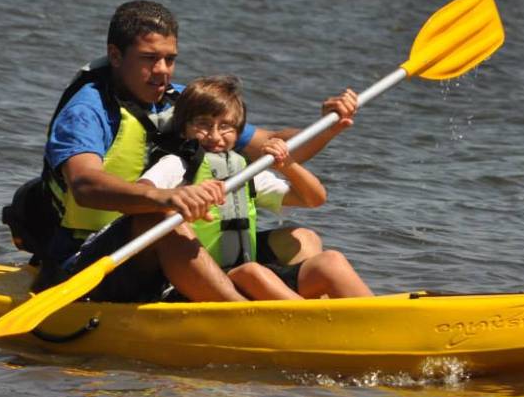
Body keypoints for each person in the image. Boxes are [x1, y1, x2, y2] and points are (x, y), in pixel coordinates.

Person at [35, 0, 358, 303]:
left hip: (172, 253)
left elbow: (277, 145)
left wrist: (328, 125)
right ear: (116, 55)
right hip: (90, 260)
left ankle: (316, 313)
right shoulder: (87, 111)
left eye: (170, 59)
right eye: (149, 58)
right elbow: (85, 185)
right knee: (159, 217)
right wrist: (168, 199)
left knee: (301, 239)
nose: (162, 70)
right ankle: (244, 315)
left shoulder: (183, 105)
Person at [139, 76, 372, 299]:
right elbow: (142, 190)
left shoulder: (242, 171)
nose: (214, 136)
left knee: (330, 261)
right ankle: (316, 323)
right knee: (251, 273)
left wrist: (287, 165)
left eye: (226, 126)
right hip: (194, 285)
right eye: (203, 125)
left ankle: (375, 315)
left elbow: (314, 199)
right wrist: (179, 196)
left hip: (241, 279)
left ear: (239, 132)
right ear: (183, 129)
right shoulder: (175, 165)